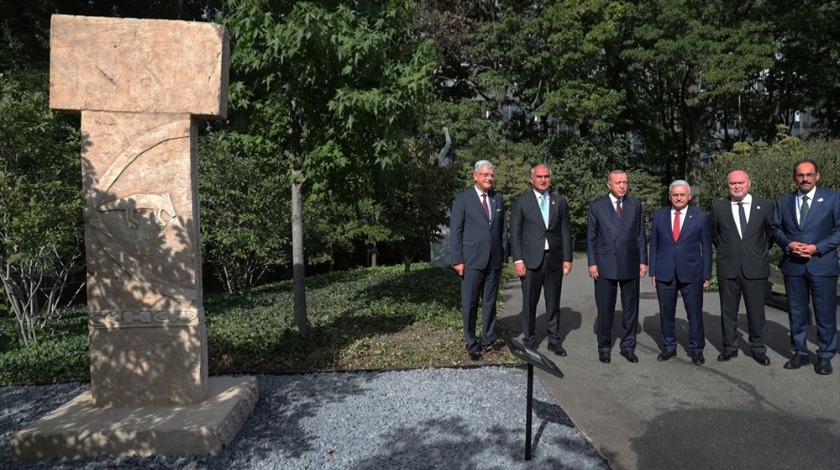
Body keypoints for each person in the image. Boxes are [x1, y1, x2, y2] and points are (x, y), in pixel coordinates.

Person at [771, 160, 840, 375]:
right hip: (794, 266)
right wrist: (789, 244)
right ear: (795, 178)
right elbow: (776, 229)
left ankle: (825, 355)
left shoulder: (833, 198)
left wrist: (815, 248)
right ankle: (800, 352)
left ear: (817, 176)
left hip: (822, 265)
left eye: (809, 174)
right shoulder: (784, 201)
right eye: (800, 175)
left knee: (825, 313)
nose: (805, 179)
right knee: (797, 312)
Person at [710, 170, 774, 366]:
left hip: (755, 267)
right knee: (728, 311)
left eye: (740, 183)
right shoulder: (718, 207)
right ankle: (729, 347)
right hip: (728, 267)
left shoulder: (765, 205)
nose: (737, 186)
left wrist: (756, 253)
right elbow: (715, 236)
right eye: (732, 183)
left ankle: (757, 348)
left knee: (756, 311)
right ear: (727, 185)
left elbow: (770, 235)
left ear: (749, 183)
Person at [510, 164, 573, 354]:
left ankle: (554, 340)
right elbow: (515, 233)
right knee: (529, 303)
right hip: (530, 261)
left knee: (553, 302)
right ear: (532, 179)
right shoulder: (522, 202)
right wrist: (518, 260)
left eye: (546, 176)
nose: (543, 180)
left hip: (553, 259)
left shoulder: (559, 201)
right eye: (539, 176)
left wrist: (568, 258)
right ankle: (529, 341)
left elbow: (565, 230)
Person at [587, 170, 648, 364]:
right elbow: (591, 237)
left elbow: (640, 235)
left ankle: (628, 346)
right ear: (609, 185)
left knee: (631, 308)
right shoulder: (597, 206)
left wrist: (643, 261)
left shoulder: (635, 205)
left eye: (625, 182)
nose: (622, 186)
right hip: (605, 264)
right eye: (618, 182)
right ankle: (604, 347)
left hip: (630, 262)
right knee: (605, 308)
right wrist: (592, 263)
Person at [649, 180, 712, 365]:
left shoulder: (700, 217)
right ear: (670, 196)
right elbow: (654, 244)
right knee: (666, 313)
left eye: (682, 194)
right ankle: (669, 346)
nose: (678, 198)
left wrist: (706, 274)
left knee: (694, 314)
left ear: (689, 196)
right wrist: (653, 270)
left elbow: (707, 248)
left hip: (692, 273)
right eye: (675, 195)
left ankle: (696, 349)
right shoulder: (659, 216)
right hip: (664, 272)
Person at [450, 160, 508, 361]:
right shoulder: (463, 199)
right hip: (472, 260)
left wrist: (503, 255)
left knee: (490, 302)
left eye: (491, 175)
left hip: (494, 260)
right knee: (471, 303)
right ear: (475, 176)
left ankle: (488, 340)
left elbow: (502, 230)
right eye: (485, 175)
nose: (489, 178)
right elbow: (456, 232)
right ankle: (472, 342)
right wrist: (457, 259)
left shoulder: (497, 198)